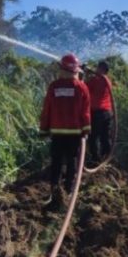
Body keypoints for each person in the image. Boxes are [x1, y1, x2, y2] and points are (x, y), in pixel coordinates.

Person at [39, 53, 91, 207]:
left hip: (57, 133)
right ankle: (68, 192)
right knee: (71, 162)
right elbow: (86, 112)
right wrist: (86, 130)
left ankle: (55, 191)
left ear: (61, 69)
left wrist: (43, 129)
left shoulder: (53, 87)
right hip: (75, 133)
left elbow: (46, 110)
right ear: (76, 71)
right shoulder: (82, 87)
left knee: (56, 163)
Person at [84, 60, 114, 164]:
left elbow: (84, 88)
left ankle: (95, 159)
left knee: (93, 137)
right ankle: (107, 156)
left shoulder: (95, 80)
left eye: (97, 67)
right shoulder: (108, 81)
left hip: (97, 113)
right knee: (105, 136)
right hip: (108, 113)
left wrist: (86, 75)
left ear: (101, 69)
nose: (96, 69)